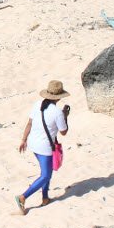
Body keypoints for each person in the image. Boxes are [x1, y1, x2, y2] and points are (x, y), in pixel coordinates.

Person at [14, 80, 71, 215]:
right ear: (59, 97)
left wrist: (23, 140)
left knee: (46, 172)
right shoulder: (57, 112)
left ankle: (45, 198)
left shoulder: (37, 104)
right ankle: (23, 197)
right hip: (45, 148)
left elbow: (29, 123)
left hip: (33, 143)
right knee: (45, 175)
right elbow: (63, 132)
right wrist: (65, 116)